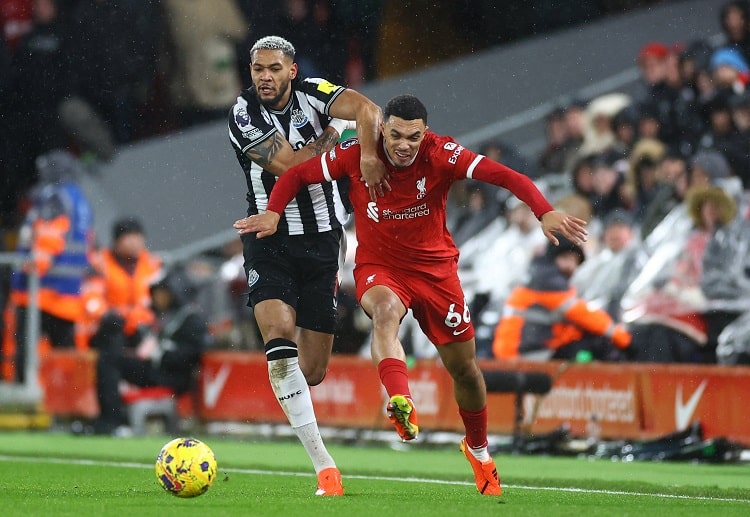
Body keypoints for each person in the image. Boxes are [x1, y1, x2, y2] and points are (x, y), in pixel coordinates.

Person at [234, 94, 588, 496]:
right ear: (382, 128)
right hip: (381, 267)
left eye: (413, 137)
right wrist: (275, 212)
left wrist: (544, 211)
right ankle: (401, 399)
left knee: (465, 370)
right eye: (396, 134)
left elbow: (506, 177)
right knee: (384, 314)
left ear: (425, 133)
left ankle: (478, 450)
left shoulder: (442, 154)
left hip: (436, 273)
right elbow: (296, 176)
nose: (404, 145)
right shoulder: (357, 154)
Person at [227, 35, 384, 497]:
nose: (265, 77)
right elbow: (293, 167)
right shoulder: (243, 113)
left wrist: (369, 152)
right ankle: (325, 467)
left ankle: (293, 396)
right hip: (268, 235)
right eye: (258, 69)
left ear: (292, 70)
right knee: (277, 332)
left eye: (274, 68)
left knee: (312, 370)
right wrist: (337, 136)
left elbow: (370, 111)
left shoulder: (316, 90)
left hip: (322, 242)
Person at [7, 150, 94, 383]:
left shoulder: (55, 196)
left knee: (26, 348)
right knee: (65, 351)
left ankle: (25, 394)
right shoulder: (80, 200)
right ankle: (70, 403)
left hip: (41, 288)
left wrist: (35, 267)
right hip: (68, 290)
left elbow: (49, 235)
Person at [91, 266, 209, 436]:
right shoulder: (162, 316)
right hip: (155, 370)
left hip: (172, 376)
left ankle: (115, 422)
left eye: (162, 292)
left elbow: (194, 353)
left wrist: (163, 353)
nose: (157, 297)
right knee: (109, 358)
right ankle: (110, 420)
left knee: (111, 361)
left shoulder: (191, 318)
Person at [78, 217, 162, 433]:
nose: (135, 243)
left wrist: (141, 320)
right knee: (110, 354)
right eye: (129, 238)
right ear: (117, 241)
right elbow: (92, 300)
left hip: (143, 331)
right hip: (108, 331)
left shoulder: (152, 264)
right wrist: (114, 316)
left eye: (138, 237)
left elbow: (160, 301)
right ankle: (111, 420)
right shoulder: (100, 262)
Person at [493, 236, 632, 361]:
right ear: (553, 257)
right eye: (566, 258)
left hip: (513, 353)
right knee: (597, 344)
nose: (571, 266)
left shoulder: (535, 277)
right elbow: (588, 317)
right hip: (530, 356)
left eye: (575, 261)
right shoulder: (549, 283)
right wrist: (625, 340)